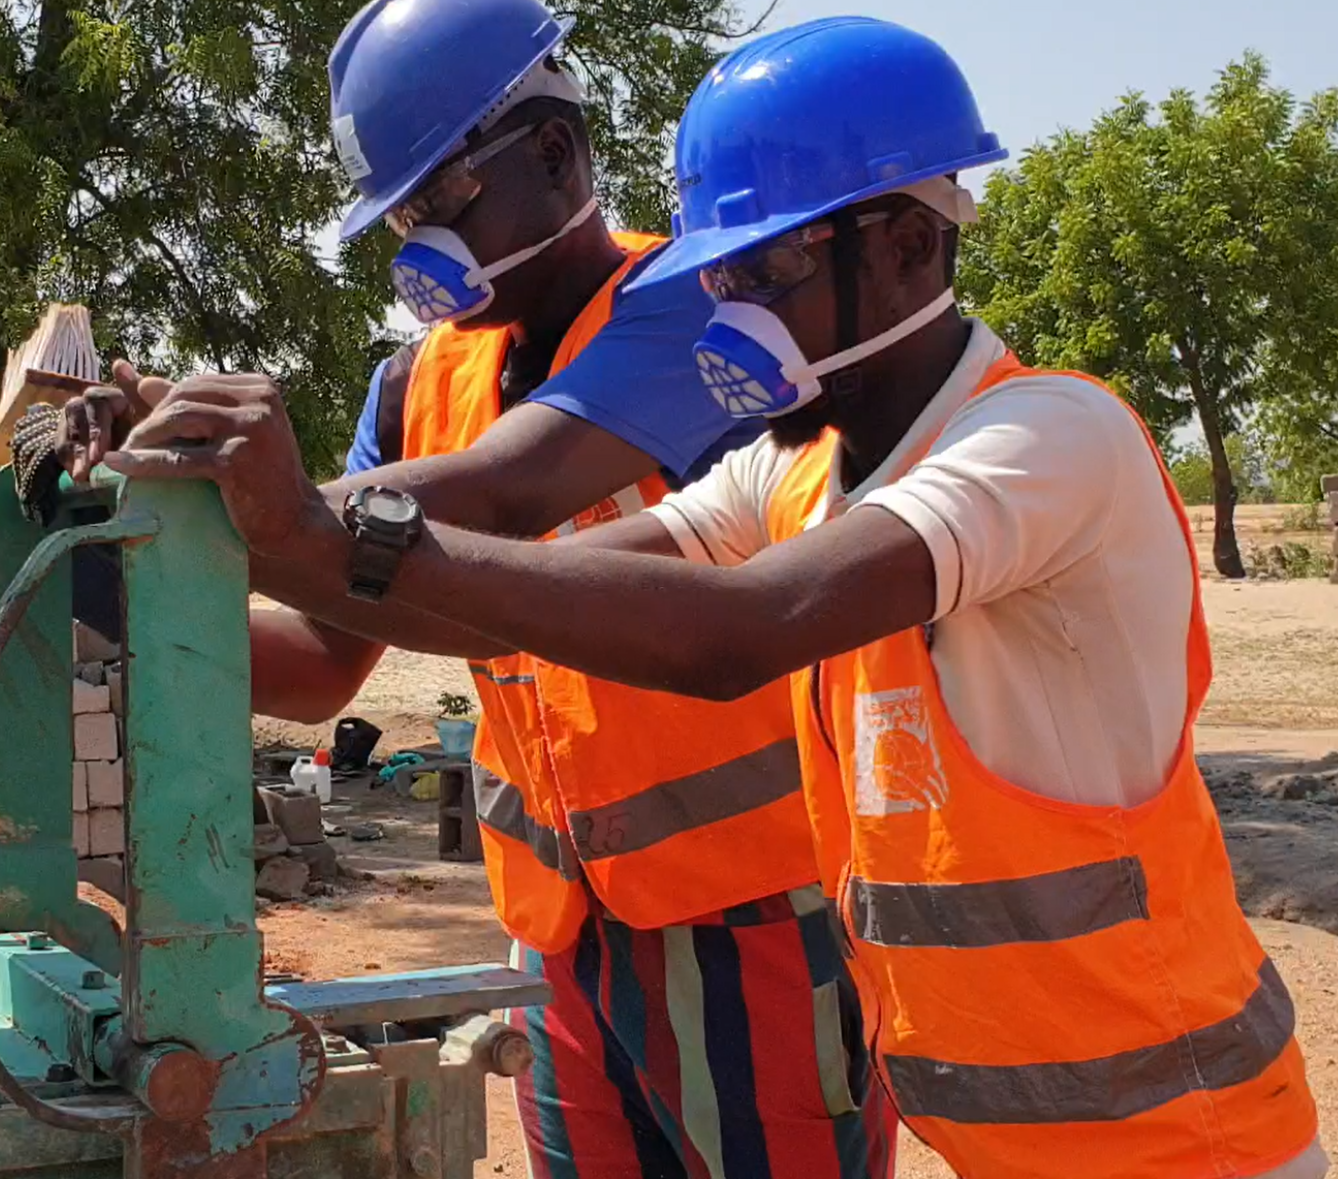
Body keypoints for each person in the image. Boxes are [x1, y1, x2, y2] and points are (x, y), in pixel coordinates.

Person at [99, 15, 1327, 1179]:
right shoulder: (787, 472)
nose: (725, 316)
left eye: (765, 273)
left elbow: (743, 633)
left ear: (905, 244)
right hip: (987, 1127)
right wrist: (184, 544)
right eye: (721, 275)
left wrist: (318, 525)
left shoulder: (1049, 440)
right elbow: (493, 600)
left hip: (1182, 1134)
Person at [66, 1, 898, 1175]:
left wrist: (233, 499)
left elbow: (513, 488)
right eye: (399, 215)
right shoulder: (416, 384)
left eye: (436, 199)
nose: (416, 244)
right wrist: (114, 578)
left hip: (751, 917)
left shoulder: (705, 320)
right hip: (557, 933)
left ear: (555, 157)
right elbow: (318, 662)